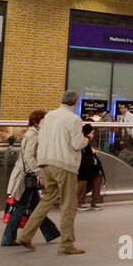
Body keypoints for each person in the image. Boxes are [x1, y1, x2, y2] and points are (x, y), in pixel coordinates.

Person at [17, 91, 90, 255]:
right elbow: (77, 144)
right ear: (75, 103)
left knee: (46, 200)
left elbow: (41, 139)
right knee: (68, 205)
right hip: (64, 164)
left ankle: (25, 235)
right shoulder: (74, 119)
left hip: (46, 162)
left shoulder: (49, 116)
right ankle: (66, 245)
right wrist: (87, 139)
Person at [3, 111, 60, 246]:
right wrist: (39, 173)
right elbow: (29, 157)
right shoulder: (33, 136)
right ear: (36, 122)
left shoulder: (32, 134)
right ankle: (8, 238)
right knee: (21, 207)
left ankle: (50, 232)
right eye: (43, 120)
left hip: (26, 176)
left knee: (35, 207)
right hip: (27, 176)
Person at [76, 123, 106, 211]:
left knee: (98, 177)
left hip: (89, 168)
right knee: (83, 178)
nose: (93, 135)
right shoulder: (82, 142)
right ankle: (80, 202)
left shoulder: (88, 144)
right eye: (92, 133)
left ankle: (94, 202)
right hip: (82, 169)